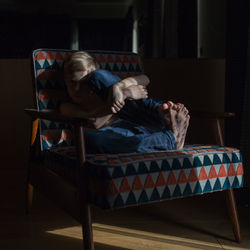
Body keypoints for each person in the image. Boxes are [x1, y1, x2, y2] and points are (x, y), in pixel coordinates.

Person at [60, 51, 190, 153]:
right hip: (123, 134)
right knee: (89, 141)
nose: (76, 89)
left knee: (99, 76)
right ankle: (171, 138)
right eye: (71, 82)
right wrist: (125, 94)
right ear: (64, 81)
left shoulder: (100, 85)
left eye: (83, 83)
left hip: (144, 120)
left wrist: (120, 87)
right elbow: (95, 121)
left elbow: (145, 79)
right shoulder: (66, 107)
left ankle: (162, 112)